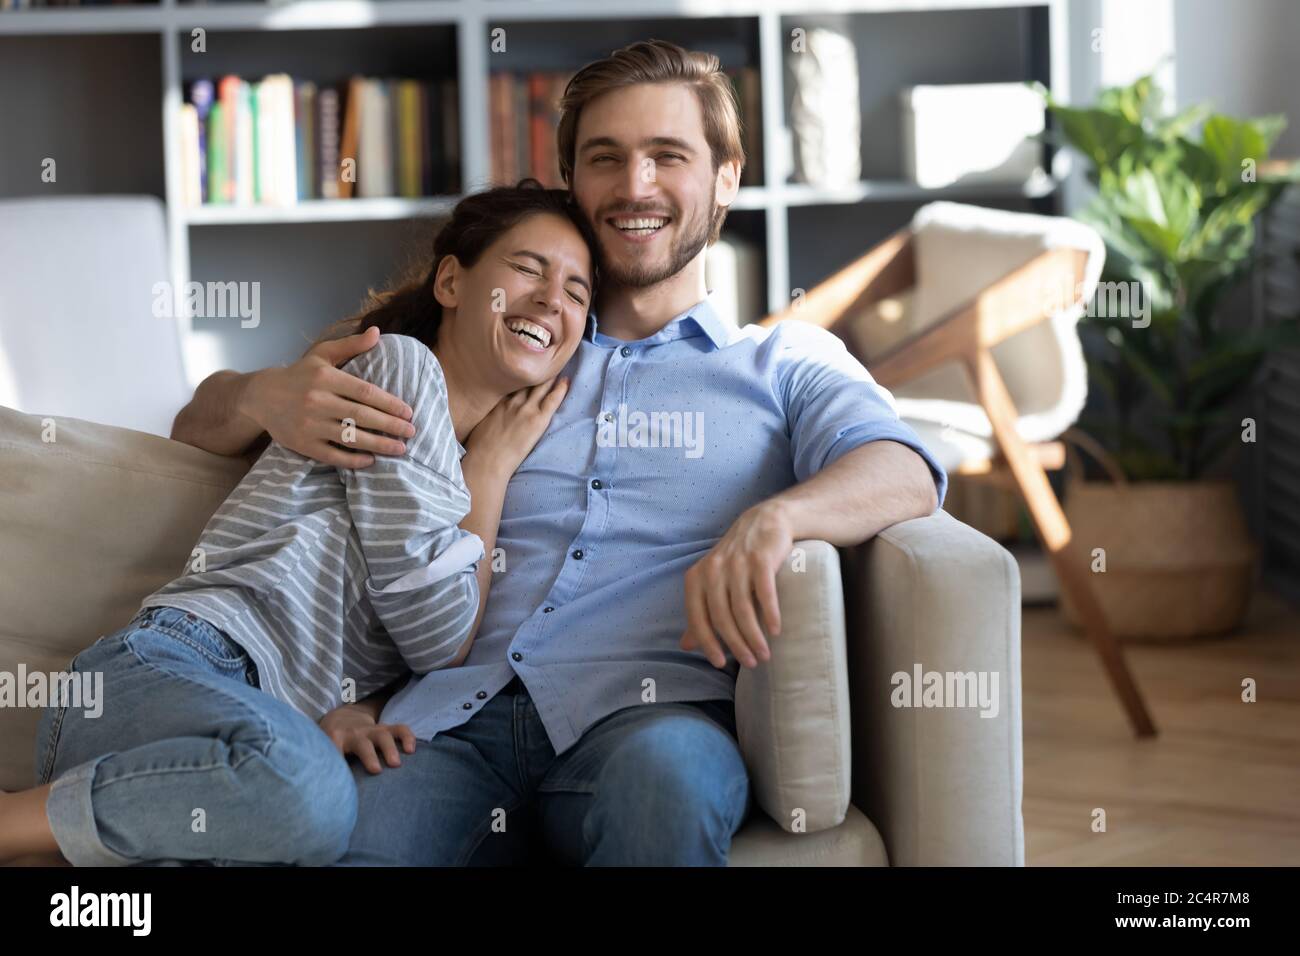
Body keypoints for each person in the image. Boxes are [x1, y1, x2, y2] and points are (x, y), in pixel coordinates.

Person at [160, 40, 948, 866]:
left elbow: (904, 469)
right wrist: (263, 396)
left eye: (667, 156)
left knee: (670, 786)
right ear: (575, 180)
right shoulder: (505, 346)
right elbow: (192, 426)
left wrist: (775, 518)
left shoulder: (783, 364)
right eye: (606, 158)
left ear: (726, 176)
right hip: (446, 725)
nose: (635, 186)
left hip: (648, 724)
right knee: (348, 833)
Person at [0, 182, 596, 866]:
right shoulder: (397, 375)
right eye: (529, 267)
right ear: (453, 280)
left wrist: (358, 706)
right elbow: (438, 635)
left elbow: (386, 614)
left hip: (226, 744)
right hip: (172, 669)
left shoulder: (465, 470)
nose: (554, 298)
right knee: (314, 795)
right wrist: (487, 472)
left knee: (296, 819)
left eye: (578, 292)